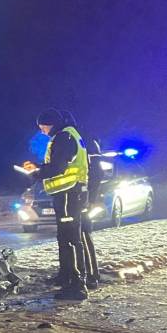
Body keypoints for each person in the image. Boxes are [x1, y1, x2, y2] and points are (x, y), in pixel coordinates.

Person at [25, 108, 90, 300]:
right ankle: (66, 276)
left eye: (42, 127)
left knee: (70, 237)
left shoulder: (64, 137)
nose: (42, 131)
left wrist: (37, 173)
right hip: (70, 193)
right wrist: (38, 167)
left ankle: (77, 285)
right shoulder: (69, 134)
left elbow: (58, 167)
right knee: (65, 236)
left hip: (69, 193)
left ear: (50, 123)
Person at [62, 111, 101, 289]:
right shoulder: (78, 140)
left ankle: (92, 275)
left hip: (82, 195)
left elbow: (96, 173)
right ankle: (73, 273)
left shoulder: (81, 141)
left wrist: (92, 197)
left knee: (83, 234)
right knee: (77, 235)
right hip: (79, 194)